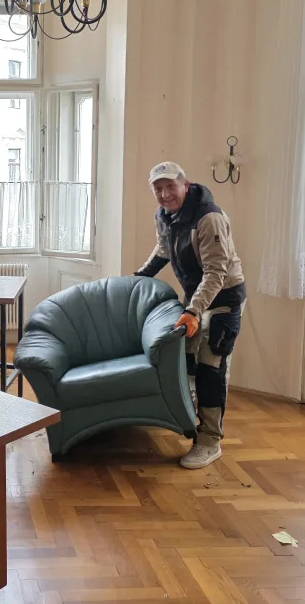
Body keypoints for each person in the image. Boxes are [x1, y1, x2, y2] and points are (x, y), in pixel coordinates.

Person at [135, 161, 246, 469]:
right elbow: (163, 249)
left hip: (223, 299)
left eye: (170, 186)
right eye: (158, 188)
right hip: (195, 297)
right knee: (186, 362)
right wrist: (140, 277)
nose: (165, 194)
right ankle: (189, 420)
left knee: (211, 367)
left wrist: (193, 311)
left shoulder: (208, 218)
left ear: (185, 185)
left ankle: (210, 441)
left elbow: (216, 273)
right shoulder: (164, 215)